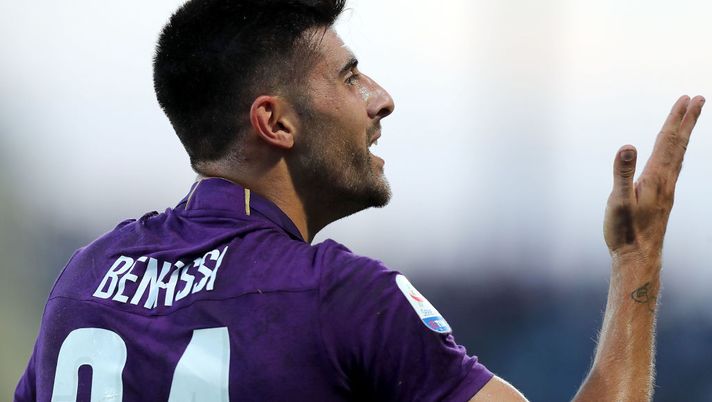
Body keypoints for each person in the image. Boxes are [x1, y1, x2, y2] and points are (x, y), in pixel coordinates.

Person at [15, 0, 705, 401]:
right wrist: (637, 259)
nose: (380, 99)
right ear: (275, 122)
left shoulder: (84, 278)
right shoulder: (341, 298)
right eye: (350, 78)